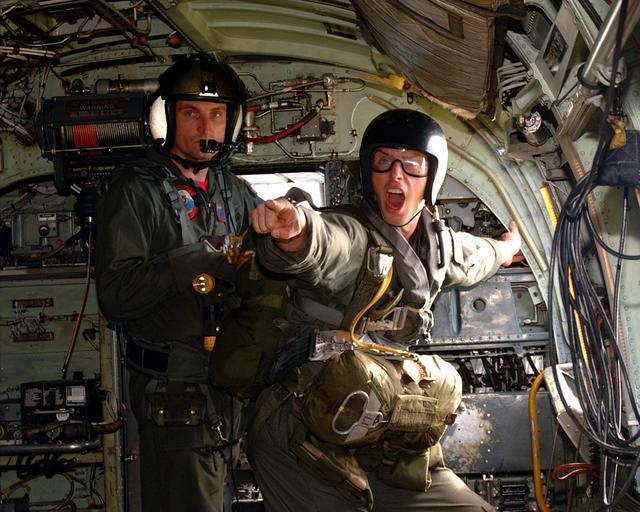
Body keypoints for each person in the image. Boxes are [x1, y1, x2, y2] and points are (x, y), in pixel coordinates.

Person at [248, 109, 522, 511]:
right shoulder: (355, 234)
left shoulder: (438, 245)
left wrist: (507, 248)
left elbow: (475, 255)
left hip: (376, 430)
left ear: (431, 177)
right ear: (369, 172)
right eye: (384, 162)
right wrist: (295, 232)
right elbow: (326, 244)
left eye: (411, 164)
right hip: (300, 432)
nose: (397, 175)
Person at [95, 54, 261, 512]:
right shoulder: (135, 192)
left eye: (217, 115)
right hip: (175, 398)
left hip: (234, 390)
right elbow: (116, 296)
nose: (206, 127)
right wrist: (192, 260)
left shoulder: (233, 191)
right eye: (190, 113)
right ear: (164, 118)